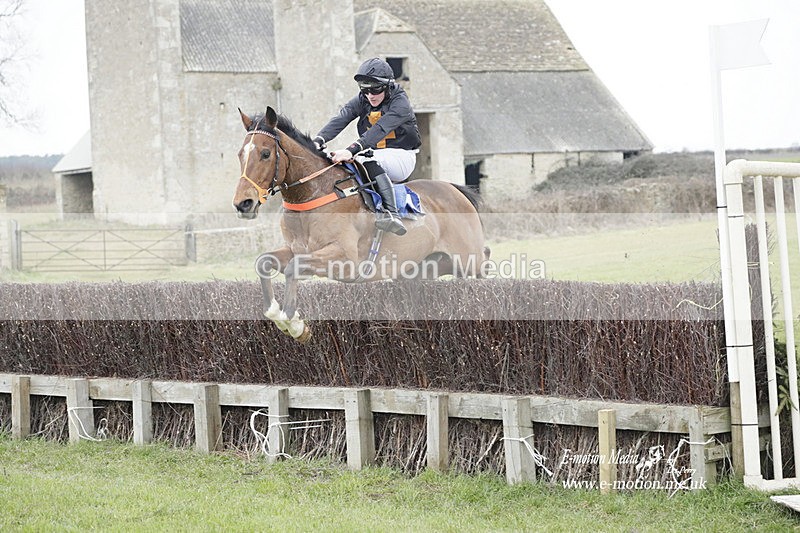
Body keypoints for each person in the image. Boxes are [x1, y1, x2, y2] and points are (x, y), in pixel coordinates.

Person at [314, 58, 421, 236]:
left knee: (362, 158)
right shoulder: (362, 99)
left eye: (376, 89)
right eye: (365, 89)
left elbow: (379, 129)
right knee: (348, 163)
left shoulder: (400, 103)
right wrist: (318, 139)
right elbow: (341, 118)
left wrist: (351, 150)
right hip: (376, 156)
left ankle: (391, 213)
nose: (370, 95)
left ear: (388, 86)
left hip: (402, 157)